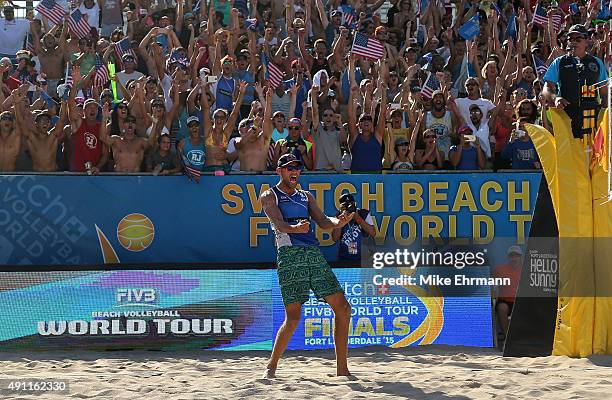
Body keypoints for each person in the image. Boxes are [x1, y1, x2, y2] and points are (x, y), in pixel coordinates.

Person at [260, 153, 354, 378]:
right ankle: (271, 367)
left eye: (297, 167)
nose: (294, 171)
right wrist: (295, 228)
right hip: (290, 255)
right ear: (279, 171)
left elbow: (323, 222)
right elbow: (277, 223)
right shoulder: (269, 195)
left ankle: (343, 371)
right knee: (293, 317)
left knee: (343, 308)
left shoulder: (306, 196)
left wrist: (340, 220)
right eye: (289, 167)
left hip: (312, 253)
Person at [543, 24, 608, 138]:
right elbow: (547, 88)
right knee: (568, 153)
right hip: (566, 116)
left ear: (586, 41)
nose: (574, 42)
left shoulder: (597, 63)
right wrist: (555, 98)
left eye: (578, 39)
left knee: (590, 154)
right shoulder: (560, 62)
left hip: (591, 116)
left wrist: (605, 117)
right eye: (570, 39)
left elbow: (604, 93)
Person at [99, 106, 158, 172]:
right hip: (118, 177)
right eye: (127, 121)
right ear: (123, 125)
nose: (130, 123)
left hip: (135, 178)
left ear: (135, 126)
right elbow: (103, 137)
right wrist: (104, 118)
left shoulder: (140, 141)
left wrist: (154, 124)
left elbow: (151, 143)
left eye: (133, 122)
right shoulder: (116, 140)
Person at [332, 193, 376, 260]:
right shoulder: (338, 216)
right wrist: (340, 221)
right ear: (341, 207)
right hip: (344, 258)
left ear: (355, 204)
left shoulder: (363, 214)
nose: (349, 207)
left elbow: (373, 233)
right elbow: (335, 238)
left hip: (364, 258)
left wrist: (357, 218)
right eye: (345, 205)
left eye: (351, 204)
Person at [493, 245, 524, 337]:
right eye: (511, 256)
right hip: (505, 301)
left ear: (520, 257)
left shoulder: (526, 270)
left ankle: (525, 338)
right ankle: (507, 338)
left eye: (516, 256)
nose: (514, 258)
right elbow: (491, 284)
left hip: (521, 300)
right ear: (508, 257)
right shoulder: (500, 269)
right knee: (502, 308)